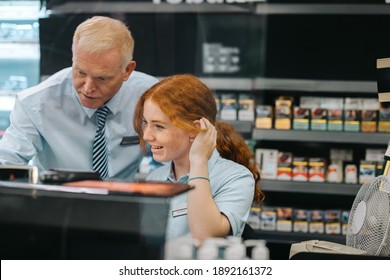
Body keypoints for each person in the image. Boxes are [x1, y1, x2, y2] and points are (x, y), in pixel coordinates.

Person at [0, 16, 158, 180]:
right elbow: (7, 162)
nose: (88, 88)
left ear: (127, 70)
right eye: (80, 72)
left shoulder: (151, 97)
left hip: (125, 201)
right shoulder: (35, 103)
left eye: (102, 78)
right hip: (55, 201)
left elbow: (175, 158)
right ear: (73, 55)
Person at [133, 74, 264, 240]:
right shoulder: (155, 178)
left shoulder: (236, 178)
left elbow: (205, 237)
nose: (146, 136)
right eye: (146, 123)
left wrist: (198, 162)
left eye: (159, 126)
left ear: (195, 130)